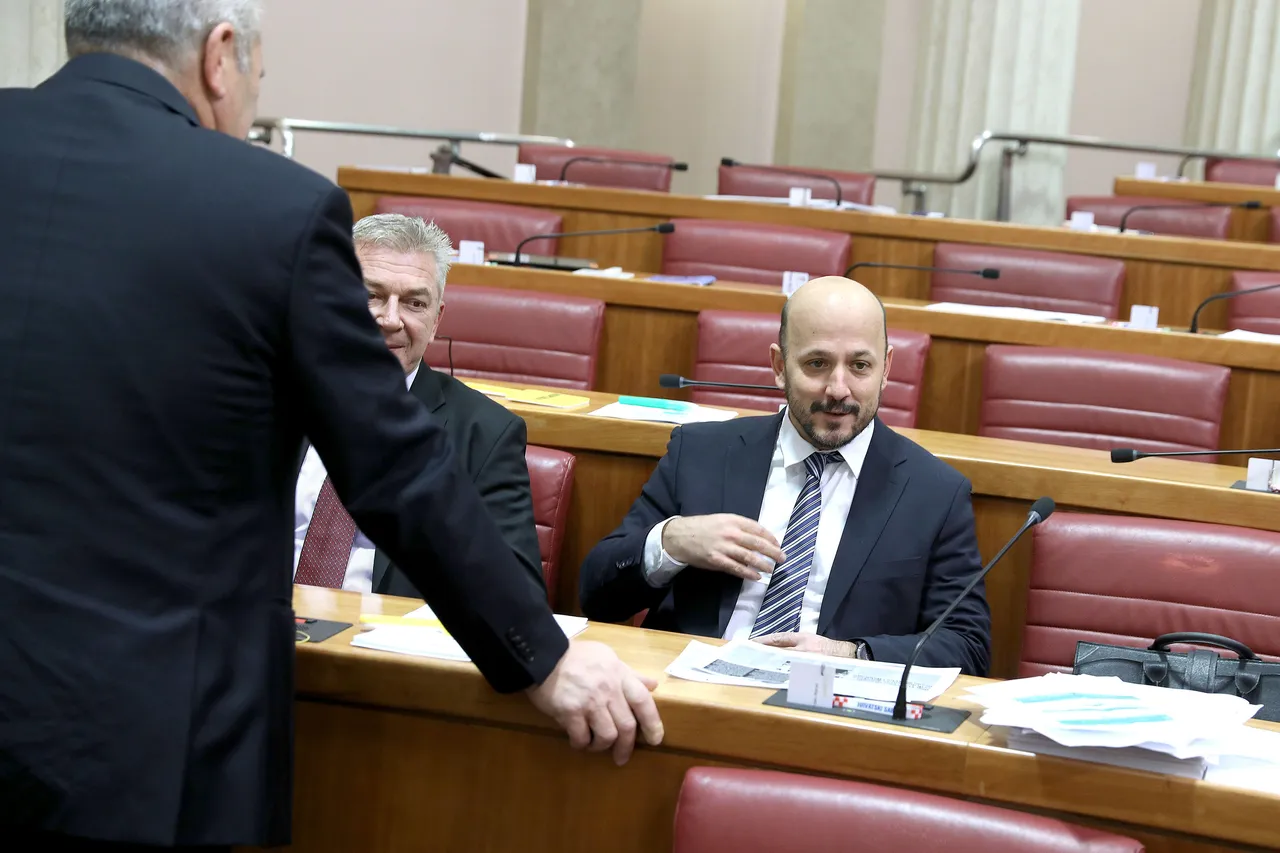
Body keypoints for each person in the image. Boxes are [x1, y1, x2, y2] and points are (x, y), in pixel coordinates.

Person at [0, 2, 660, 850]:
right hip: (146, 739)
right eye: (260, 79)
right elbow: (394, 467)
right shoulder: (270, 207)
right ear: (220, 56)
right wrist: (543, 653)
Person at [579, 276, 991, 675]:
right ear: (779, 366)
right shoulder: (701, 453)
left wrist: (851, 654)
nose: (838, 389)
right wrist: (671, 542)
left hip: (827, 706)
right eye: (817, 363)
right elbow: (597, 595)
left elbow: (967, 645)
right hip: (689, 687)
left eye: (860, 366)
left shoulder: (934, 492)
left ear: (885, 368)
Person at [294, 214, 544, 596]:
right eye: (371, 295)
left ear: (436, 319)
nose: (390, 319)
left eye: (414, 303)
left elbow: (517, 594)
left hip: (386, 632)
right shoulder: (267, 401)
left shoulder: (485, 436)